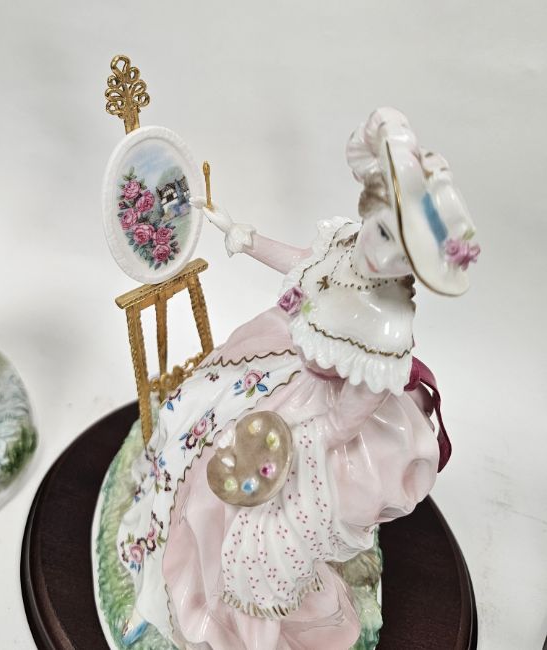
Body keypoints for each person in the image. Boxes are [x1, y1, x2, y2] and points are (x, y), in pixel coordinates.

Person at [117, 107, 480, 650]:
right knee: (192, 414)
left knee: (241, 511)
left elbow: (342, 422)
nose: (378, 253)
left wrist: (282, 441)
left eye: (399, 254)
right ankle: (161, 555)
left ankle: (228, 611)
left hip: (315, 425)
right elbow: (310, 265)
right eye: (381, 231)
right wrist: (248, 239)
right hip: (285, 360)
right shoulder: (351, 247)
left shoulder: (384, 330)